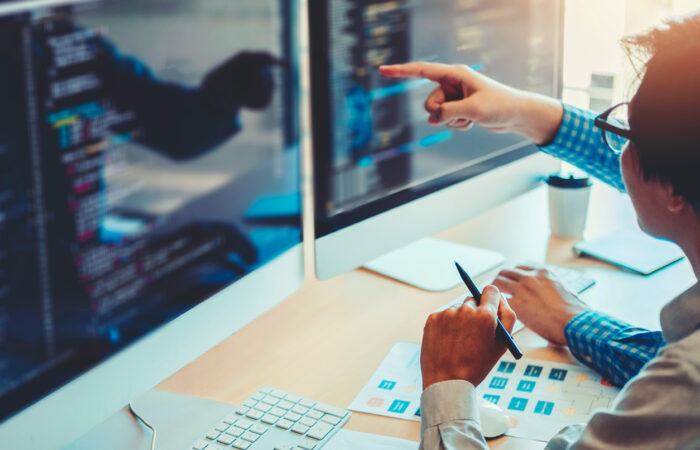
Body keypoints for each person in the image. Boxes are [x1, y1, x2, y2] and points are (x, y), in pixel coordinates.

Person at [380, 13, 700, 449]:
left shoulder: (685, 386)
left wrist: (448, 385)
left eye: (628, 132)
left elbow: (680, 383)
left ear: (677, 188)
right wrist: (518, 109)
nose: (620, 151)